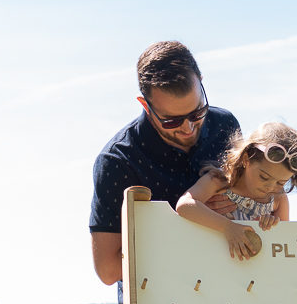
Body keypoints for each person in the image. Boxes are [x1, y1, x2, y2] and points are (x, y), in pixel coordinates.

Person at [89, 41, 241, 290]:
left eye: (197, 112)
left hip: (229, 291)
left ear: (202, 83)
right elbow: (108, 270)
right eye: (171, 121)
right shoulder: (117, 162)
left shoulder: (225, 125)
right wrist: (196, 217)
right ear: (145, 105)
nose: (188, 128)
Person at [176, 123, 297, 261]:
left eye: (281, 183)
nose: (270, 187)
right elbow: (184, 206)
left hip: (252, 273)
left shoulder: (278, 198)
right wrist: (227, 227)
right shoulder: (219, 182)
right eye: (264, 177)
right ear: (246, 159)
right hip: (211, 262)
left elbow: (282, 244)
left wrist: (272, 226)